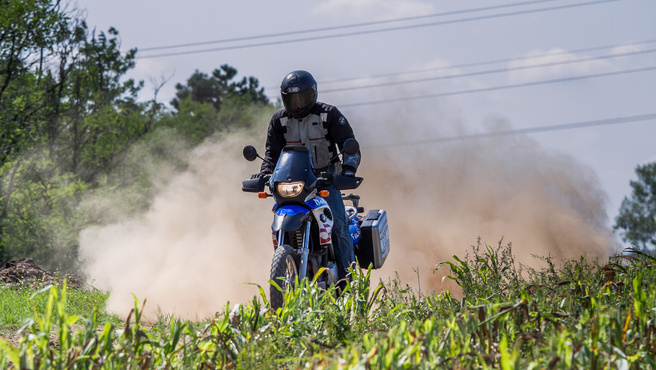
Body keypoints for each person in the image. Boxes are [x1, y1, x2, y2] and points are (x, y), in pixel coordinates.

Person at [253, 70, 361, 284]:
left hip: (323, 183)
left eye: (301, 98)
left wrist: (348, 170)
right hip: (292, 185)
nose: (296, 104)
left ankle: (349, 281)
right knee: (277, 223)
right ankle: (285, 269)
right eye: (291, 99)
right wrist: (265, 173)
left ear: (312, 94)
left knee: (338, 226)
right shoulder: (279, 121)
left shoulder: (328, 115)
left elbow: (350, 147)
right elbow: (271, 155)